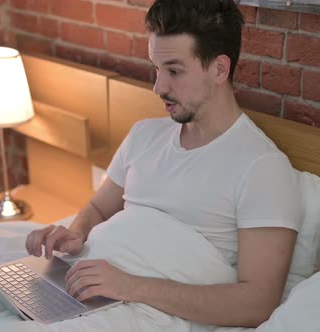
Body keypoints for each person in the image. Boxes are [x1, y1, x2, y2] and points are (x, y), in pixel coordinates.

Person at [25, 0, 302, 328]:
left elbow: (258, 303)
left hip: (142, 313)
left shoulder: (261, 167)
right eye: (156, 69)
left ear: (219, 69)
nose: (159, 87)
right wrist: (76, 233)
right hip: (83, 289)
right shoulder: (145, 135)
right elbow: (98, 208)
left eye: (174, 71)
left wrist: (129, 285)